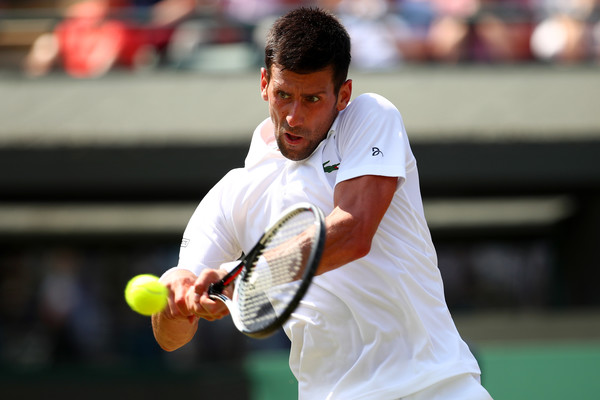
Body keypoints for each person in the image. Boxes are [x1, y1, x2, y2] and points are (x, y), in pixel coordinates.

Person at [152, 6, 493, 400]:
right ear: (264, 83)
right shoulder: (231, 195)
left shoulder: (370, 116)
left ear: (342, 95)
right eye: (283, 95)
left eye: (312, 98)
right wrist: (176, 302)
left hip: (435, 389)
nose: (294, 117)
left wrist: (244, 278)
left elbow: (352, 231)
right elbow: (172, 339)